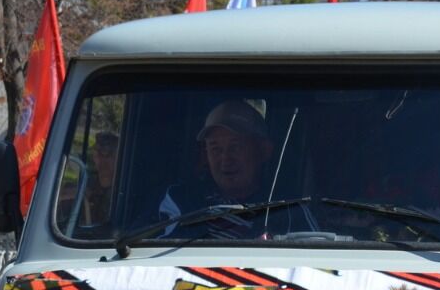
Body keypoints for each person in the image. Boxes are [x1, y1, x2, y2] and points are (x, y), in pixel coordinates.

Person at [158, 99, 317, 238]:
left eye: (235, 147)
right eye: (215, 149)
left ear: (264, 150)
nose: (225, 158)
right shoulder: (179, 201)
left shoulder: (289, 211)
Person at [83, 131, 119, 225]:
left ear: (118, 158)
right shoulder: (87, 181)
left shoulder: (122, 190)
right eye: (96, 154)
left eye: (107, 155)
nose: (101, 160)